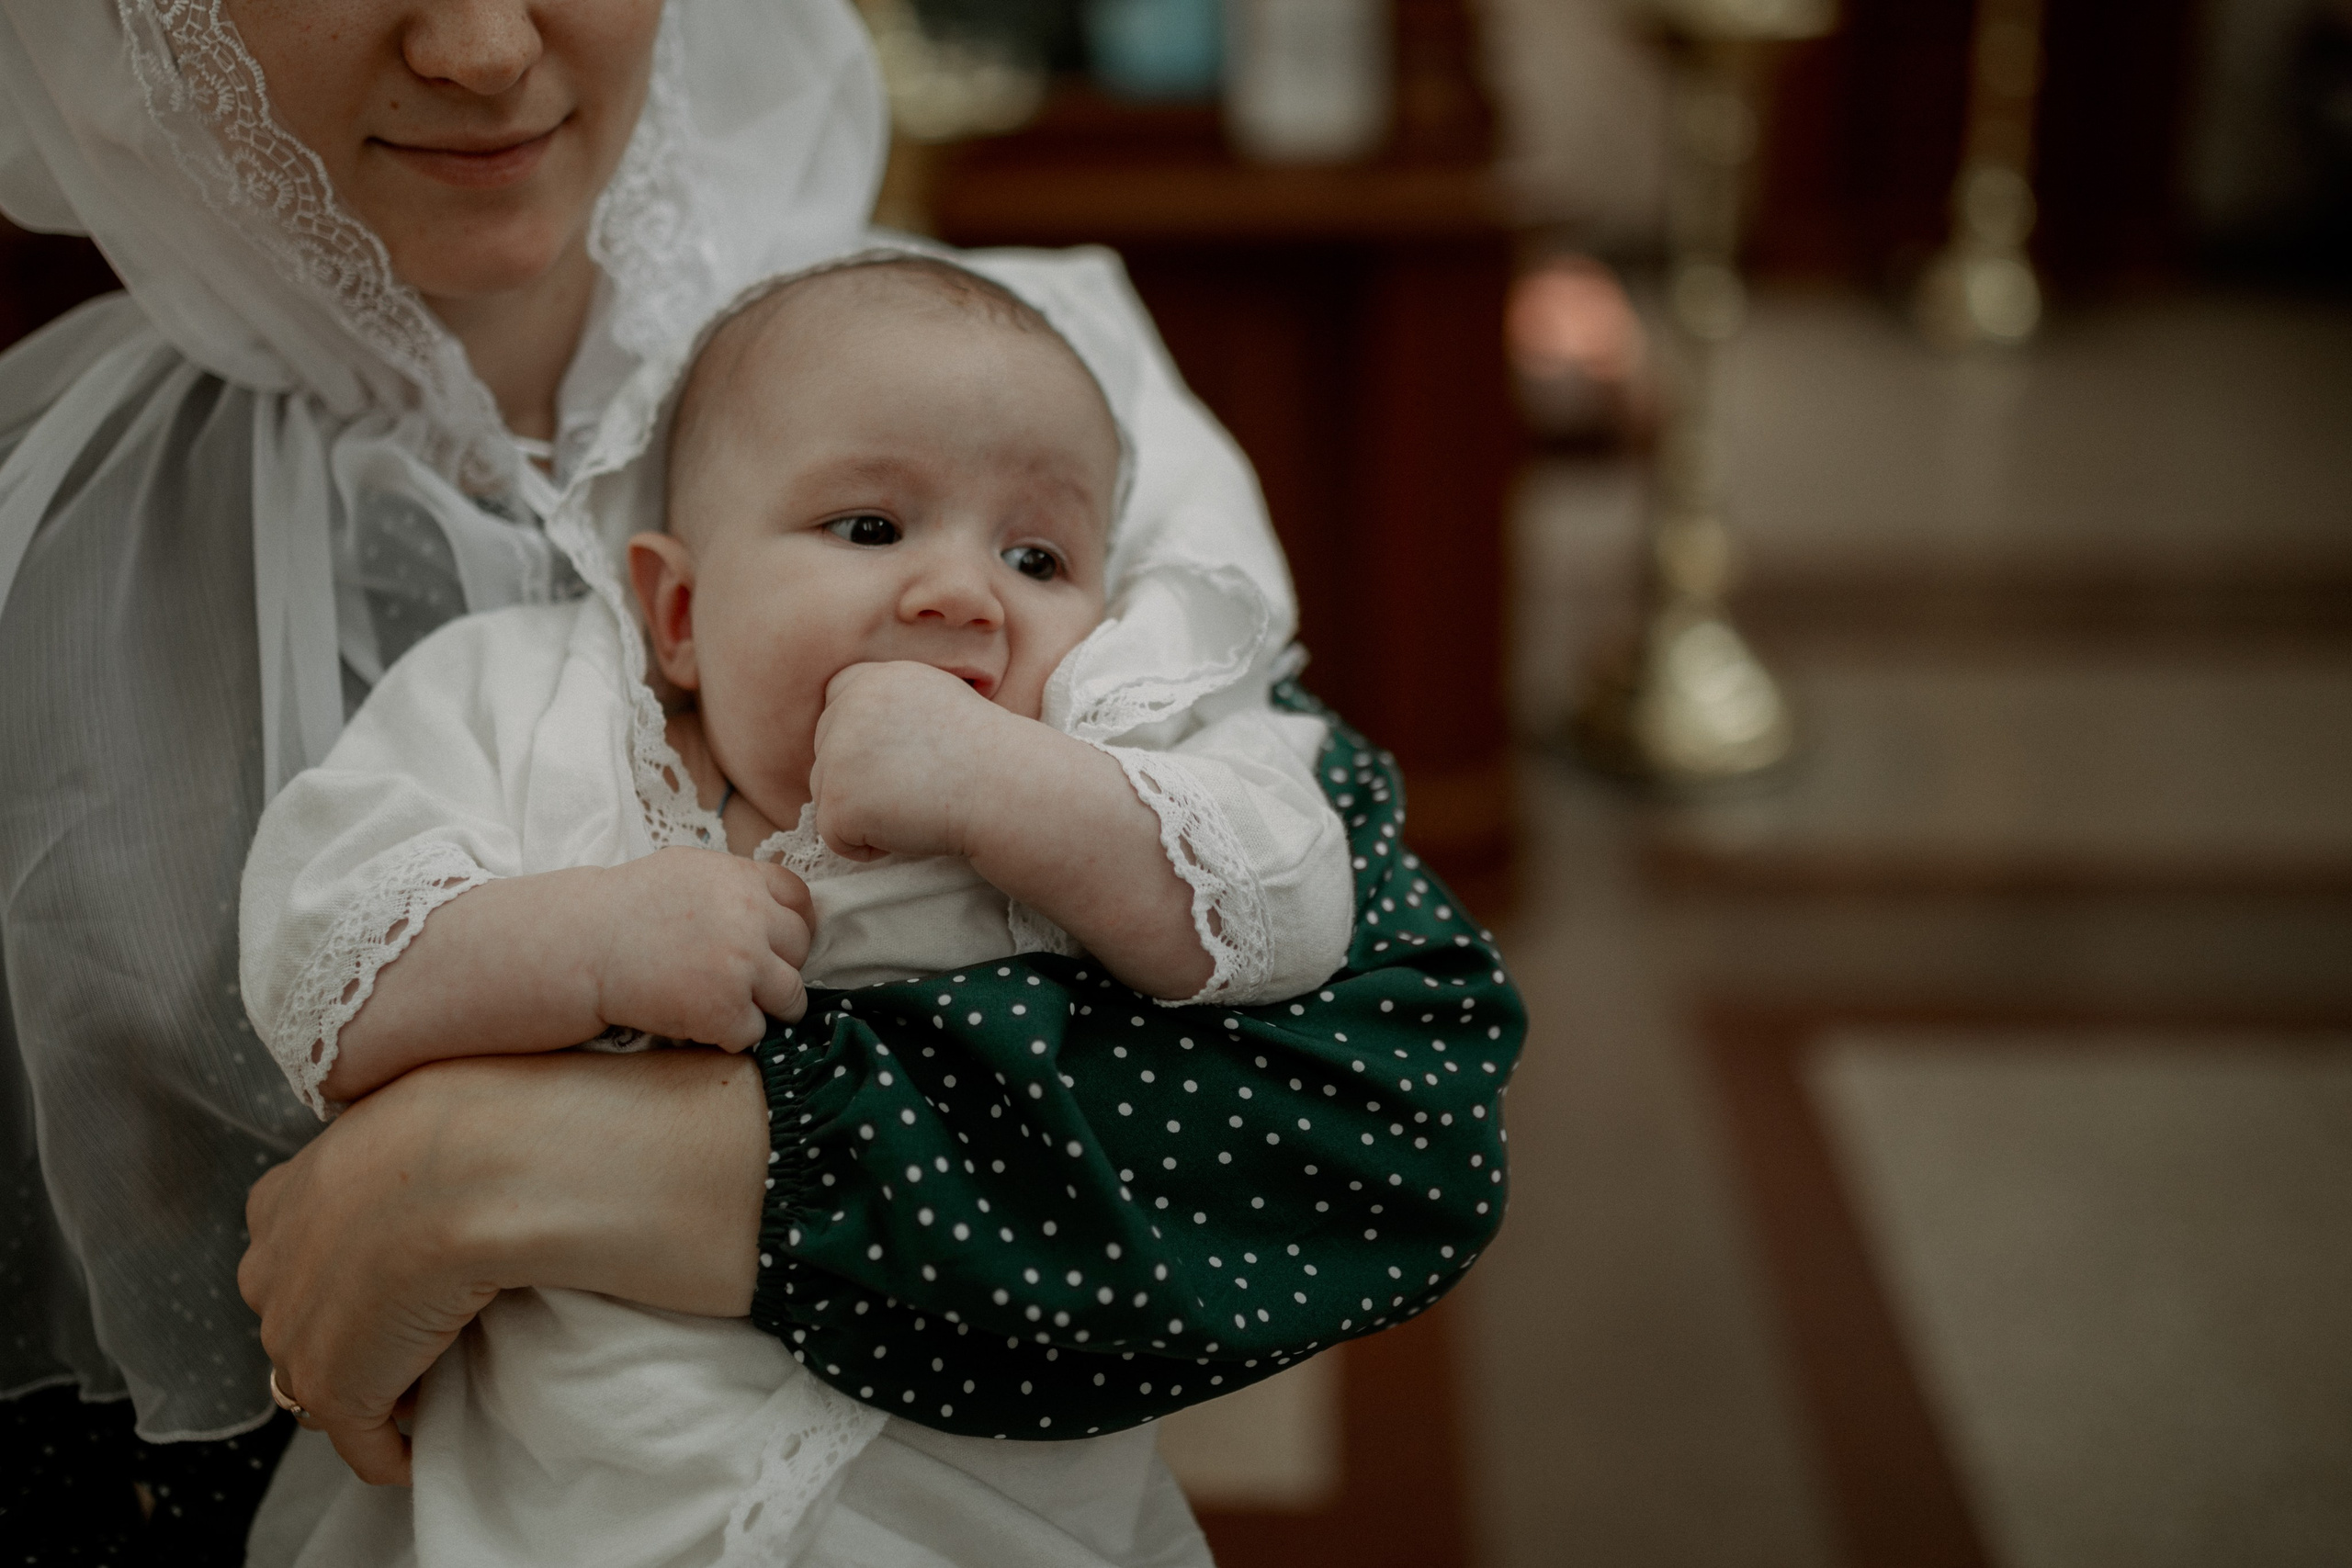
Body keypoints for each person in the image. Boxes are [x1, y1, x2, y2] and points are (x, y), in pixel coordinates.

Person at [0, 3, 1521, 1561]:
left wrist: (524, 1169)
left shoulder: (982, 383)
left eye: (1031, 560)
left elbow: (1379, 1117)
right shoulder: (46, 568)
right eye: (863, 532)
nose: (477, 44)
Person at [235, 252, 1356, 1565]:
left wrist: (1016, 790)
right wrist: (589, 942)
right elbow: (321, 966)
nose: (963, 592)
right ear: (680, 610)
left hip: (959, 1503)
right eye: (871, 527)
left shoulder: (1099, 749)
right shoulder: (522, 705)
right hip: (546, 1497)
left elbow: (1288, 907)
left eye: (1039, 555)